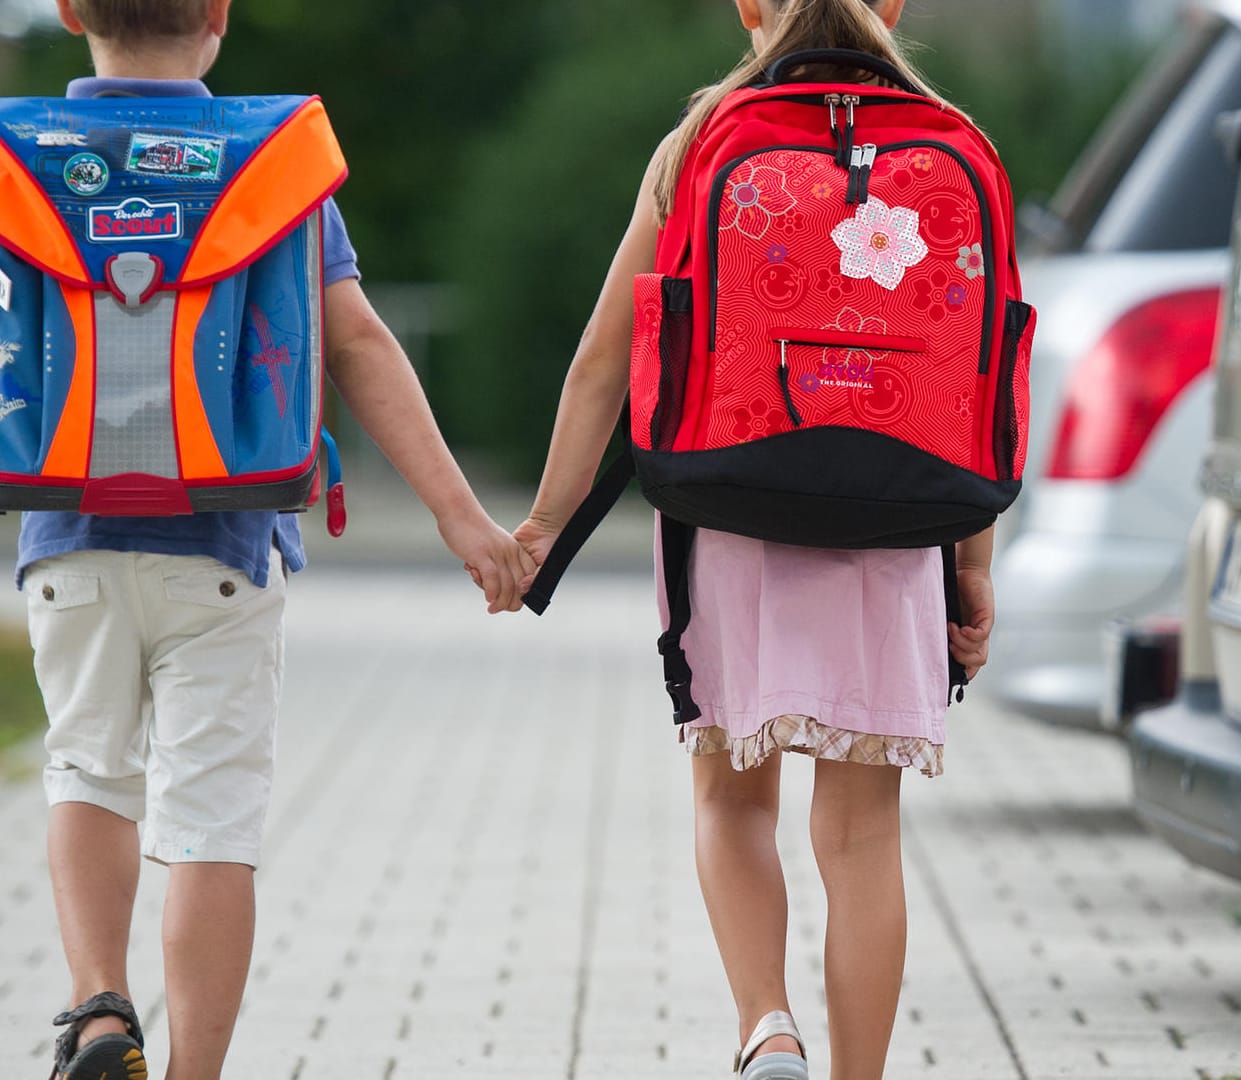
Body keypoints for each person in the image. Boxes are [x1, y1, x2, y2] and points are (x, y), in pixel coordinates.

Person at [20, 3, 536, 1078]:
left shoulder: (23, 161)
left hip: (68, 534)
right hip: (224, 545)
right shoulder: (265, 161)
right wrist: (460, 517)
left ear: (70, 13)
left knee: (84, 771)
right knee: (212, 817)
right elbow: (357, 341)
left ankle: (99, 1011)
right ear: (216, 14)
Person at [513, 1, 997, 1077]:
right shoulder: (948, 137)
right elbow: (979, 379)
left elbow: (605, 358)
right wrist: (973, 568)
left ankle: (765, 1025)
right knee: (863, 833)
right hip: (898, 514)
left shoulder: (699, 142)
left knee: (733, 796)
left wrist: (546, 524)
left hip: (729, 509)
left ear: (747, 4)